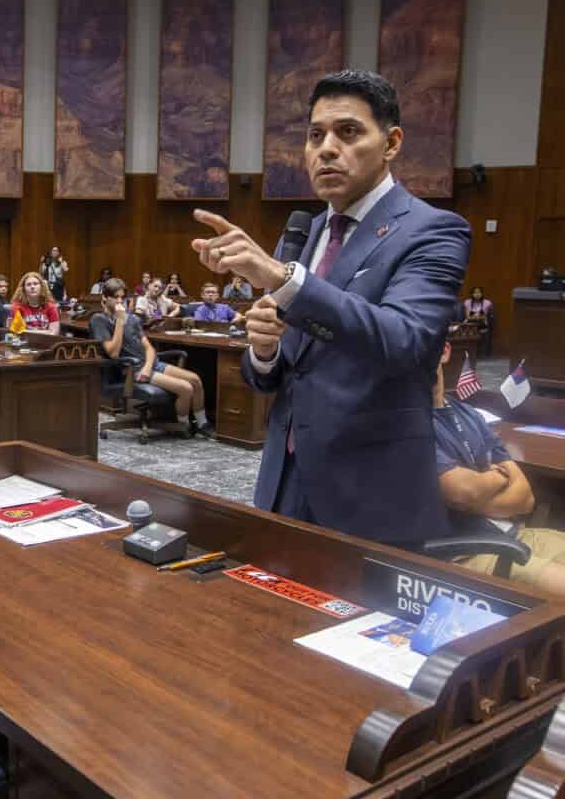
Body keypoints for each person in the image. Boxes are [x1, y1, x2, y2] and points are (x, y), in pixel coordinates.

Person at [192, 69, 470, 546]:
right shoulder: (304, 231)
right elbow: (279, 373)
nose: (326, 148)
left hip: (371, 489)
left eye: (348, 132)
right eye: (315, 135)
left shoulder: (433, 230)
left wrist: (282, 280)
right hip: (284, 479)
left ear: (392, 142)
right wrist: (263, 350)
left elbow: (404, 341)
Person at [430, 342, 565, 595]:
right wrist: (497, 477)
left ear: (445, 350)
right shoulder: (405, 422)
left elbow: (526, 499)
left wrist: (481, 490)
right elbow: (462, 492)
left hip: (511, 535)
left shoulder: (471, 414)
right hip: (464, 552)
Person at [91, 279, 213, 435]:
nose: (120, 301)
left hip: (150, 365)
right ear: (105, 298)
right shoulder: (99, 320)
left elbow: (149, 348)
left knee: (195, 380)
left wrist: (148, 367)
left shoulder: (133, 319)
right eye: (116, 297)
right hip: (131, 369)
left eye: (123, 297)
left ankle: (202, 424)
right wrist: (120, 321)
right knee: (186, 388)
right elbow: (113, 353)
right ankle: (184, 426)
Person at [461, 285, 494, 356]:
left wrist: (477, 317)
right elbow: (468, 317)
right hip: (469, 324)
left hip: (482, 324)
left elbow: (485, 316)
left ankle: (480, 353)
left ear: (482, 293)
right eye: (475, 293)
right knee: (469, 328)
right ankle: (470, 353)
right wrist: (477, 316)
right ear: (472, 294)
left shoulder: (487, 303)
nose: (477, 294)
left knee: (480, 328)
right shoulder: (467, 302)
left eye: (479, 292)